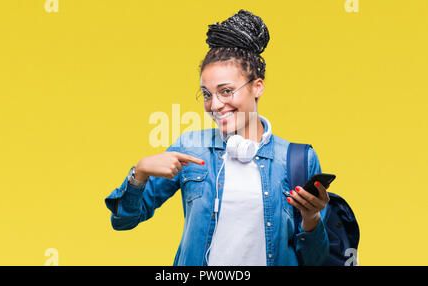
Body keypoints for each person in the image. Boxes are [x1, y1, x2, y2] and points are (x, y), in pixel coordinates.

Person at [104, 9, 330, 266]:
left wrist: (311, 218)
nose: (215, 104)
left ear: (257, 86)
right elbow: (123, 220)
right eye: (207, 94)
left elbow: (317, 261)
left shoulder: (298, 159)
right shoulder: (191, 149)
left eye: (226, 91)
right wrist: (140, 172)